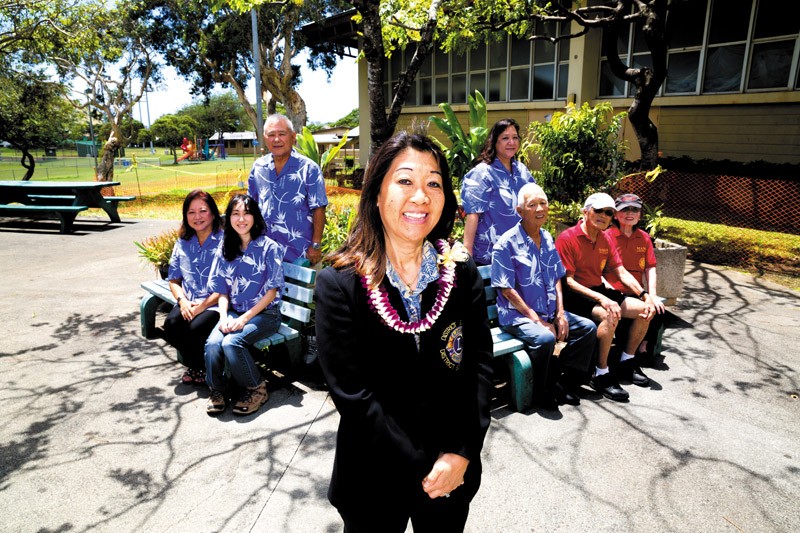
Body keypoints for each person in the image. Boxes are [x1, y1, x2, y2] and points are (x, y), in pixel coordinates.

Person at [315, 130, 494, 532]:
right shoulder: (340, 284)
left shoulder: (461, 273)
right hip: (373, 477)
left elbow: (480, 365)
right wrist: (427, 468)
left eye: (434, 183)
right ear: (377, 194)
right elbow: (354, 396)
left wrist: (461, 454)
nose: (421, 196)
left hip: (452, 472)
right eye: (405, 181)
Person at [491, 184, 596, 410]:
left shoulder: (547, 238)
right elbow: (507, 290)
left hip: (548, 310)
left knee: (587, 328)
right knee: (545, 338)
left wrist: (560, 314)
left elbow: (557, 277)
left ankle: (562, 381)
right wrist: (538, 321)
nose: (540, 208)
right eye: (532, 205)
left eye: (543, 203)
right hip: (517, 316)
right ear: (520, 211)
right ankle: (540, 389)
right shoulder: (506, 244)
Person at [555, 193, 657, 402]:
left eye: (609, 212)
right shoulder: (568, 237)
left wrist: (645, 295)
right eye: (598, 210)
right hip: (575, 295)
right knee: (610, 315)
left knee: (644, 310)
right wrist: (602, 299)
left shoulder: (603, 238)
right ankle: (600, 373)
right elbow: (569, 281)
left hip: (597, 289)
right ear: (585, 212)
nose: (603, 215)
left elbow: (620, 271)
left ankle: (627, 362)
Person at [204, 194, 284, 416]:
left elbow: (272, 292)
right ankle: (218, 390)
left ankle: (256, 388)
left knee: (231, 343)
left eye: (246, 213)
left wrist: (244, 319)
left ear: (255, 217)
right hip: (233, 311)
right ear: (228, 218)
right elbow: (222, 291)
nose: (241, 219)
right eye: (235, 214)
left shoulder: (269, 248)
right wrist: (223, 318)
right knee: (213, 343)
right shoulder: (225, 247)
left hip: (266, 314)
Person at [161, 189, 224, 385]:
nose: (197, 217)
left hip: (215, 303)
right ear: (185, 216)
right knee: (171, 326)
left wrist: (201, 307)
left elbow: (227, 286)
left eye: (203, 211)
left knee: (195, 328)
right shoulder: (183, 242)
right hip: (189, 301)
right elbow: (173, 279)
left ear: (213, 213)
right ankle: (198, 364)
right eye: (191, 212)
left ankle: (201, 367)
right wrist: (182, 302)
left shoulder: (225, 241)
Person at [248, 113, 327, 265]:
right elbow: (251, 204)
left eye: (281, 134)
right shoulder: (258, 167)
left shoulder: (308, 168)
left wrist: (316, 245)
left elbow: (319, 207)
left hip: (301, 253)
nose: (276, 139)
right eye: (271, 135)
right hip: (265, 253)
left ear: (293, 137)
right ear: (265, 138)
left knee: (306, 289)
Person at [461, 118, 535, 266]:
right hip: (488, 255)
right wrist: (467, 257)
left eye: (515, 138)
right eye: (505, 138)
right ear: (495, 142)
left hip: (518, 253)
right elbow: (473, 215)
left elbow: (532, 207)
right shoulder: (482, 173)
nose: (511, 142)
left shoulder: (522, 171)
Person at [605, 193, 667, 364]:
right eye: (625, 209)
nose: (629, 213)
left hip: (637, 292)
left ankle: (642, 349)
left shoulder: (644, 237)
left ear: (640, 214)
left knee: (658, 309)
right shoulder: (606, 236)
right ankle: (625, 356)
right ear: (616, 214)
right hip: (614, 293)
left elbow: (650, 267)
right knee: (638, 315)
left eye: (634, 209)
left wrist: (652, 294)